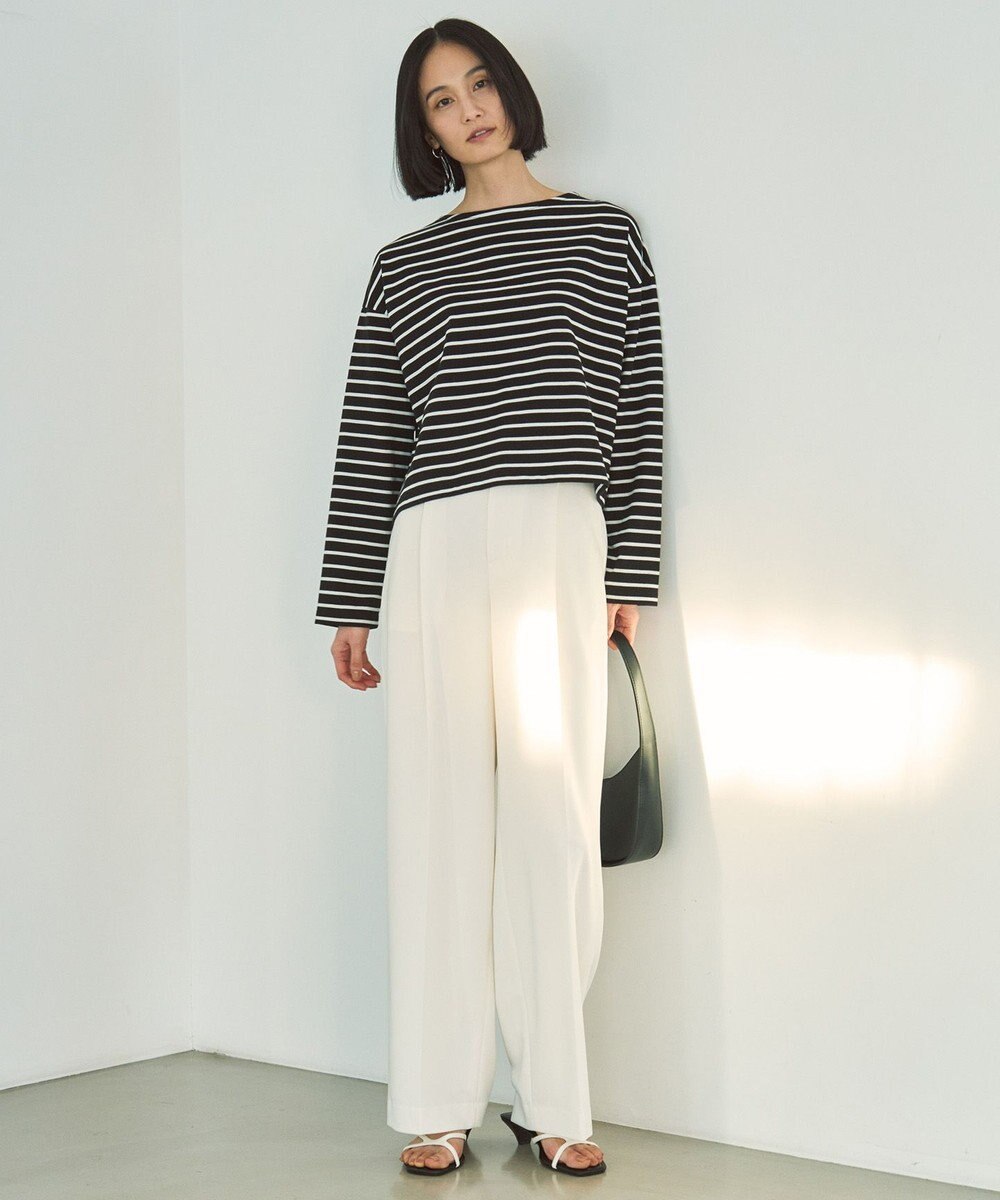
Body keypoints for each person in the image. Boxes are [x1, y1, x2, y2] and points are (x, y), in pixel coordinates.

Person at [315, 18, 664, 1178]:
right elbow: (373, 433)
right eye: (439, 100)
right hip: (432, 546)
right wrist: (350, 598)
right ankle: (437, 1101)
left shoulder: (605, 234)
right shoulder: (402, 266)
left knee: (550, 823)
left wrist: (628, 573)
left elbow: (637, 408)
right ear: (422, 130)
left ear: (510, 92)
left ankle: (553, 1099)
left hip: (559, 535)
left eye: (478, 85)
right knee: (438, 820)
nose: (467, 110)